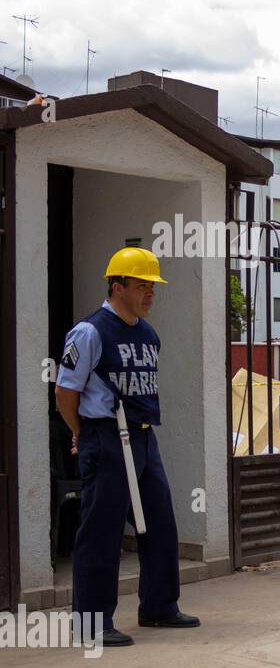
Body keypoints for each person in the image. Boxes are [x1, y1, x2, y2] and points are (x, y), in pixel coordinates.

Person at [54, 247, 200, 647]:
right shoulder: (91, 332)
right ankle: (92, 624)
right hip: (105, 434)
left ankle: (158, 606)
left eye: (153, 287)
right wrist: (80, 432)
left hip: (142, 436)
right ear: (117, 286)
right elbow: (66, 391)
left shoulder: (147, 333)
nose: (150, 294)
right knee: (101, 531)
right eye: (142, 286)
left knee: (159, 523)